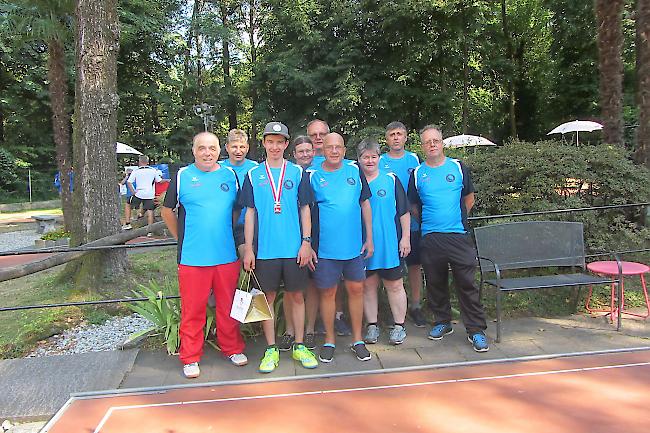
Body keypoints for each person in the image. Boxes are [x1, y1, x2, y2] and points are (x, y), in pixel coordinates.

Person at [161, 132, 248, 379]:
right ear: (194, 150)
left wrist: (224, 233)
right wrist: (183, 237)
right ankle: (190, 357)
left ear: (219, 150)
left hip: (226, 256)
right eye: (202, 148)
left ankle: (231, 349)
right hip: (192, 258)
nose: (207, 153)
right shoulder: (182, 176)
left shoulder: (229, 175)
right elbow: (167, 211)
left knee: (228, 307)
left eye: (211, 148)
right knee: (193, 310)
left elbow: (236, 210)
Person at [240, 122, 319, 373]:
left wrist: (306, 242)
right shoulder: (253, 175)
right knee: (266, 299)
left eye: (280, 142)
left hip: (294, 249)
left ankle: (298, 345)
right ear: (263, 143)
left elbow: (305, 208)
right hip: (265, 251)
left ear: (286, 145)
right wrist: (250, 249)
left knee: (297, 296)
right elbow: (250, 213)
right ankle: (271, 348)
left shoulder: (297, 172)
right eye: (270, 141)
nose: (275, 146)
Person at [407, 125, 489, 353]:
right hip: (431, 238)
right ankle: (443, 321)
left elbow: (469, 199)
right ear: (422, 146)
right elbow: (414, 206)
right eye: (427, 142)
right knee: (435, 283)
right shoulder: (417, 174)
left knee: (467, 284)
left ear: (442, 143)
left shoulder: (459, 167)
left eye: (435, 140)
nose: (432, 145)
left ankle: (476, 331)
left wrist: (455, 221)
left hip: (458, 236)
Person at [308, 132, 374, 363]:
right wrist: (308, 243)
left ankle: (358, 340)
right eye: (329, 147)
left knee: (356, 291)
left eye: (338, 147)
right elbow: (304, 211)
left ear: (344, 150)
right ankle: (329, 340)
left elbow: (365, 203)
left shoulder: (355, 171)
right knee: (328, 293)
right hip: (325, 250)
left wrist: (370, 238)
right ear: (322, 150)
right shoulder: (312, 176)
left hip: (354, 248)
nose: (334, 151)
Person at [357, 138, 410, 345]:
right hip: (363, 244)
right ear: (359, 159)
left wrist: (405, 237)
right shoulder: (354, 180)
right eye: (365, 157)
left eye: (373, 156)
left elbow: (404, 212)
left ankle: (399, 326)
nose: (369, 161)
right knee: (368, 286)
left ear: (379, 158)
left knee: (395, 285)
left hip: (389, 243)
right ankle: (372, 325)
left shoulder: (391, 179)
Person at [379, 121, 427, 328]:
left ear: (406, 137)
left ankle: (415, 306)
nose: (396, 137)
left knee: (414, 266)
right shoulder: (379, 161)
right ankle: (392, 310)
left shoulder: (414, 159)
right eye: (392, 134)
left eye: (400, 134)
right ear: (387, 139)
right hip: (387, 225)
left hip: (412, 223)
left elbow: (421, 188)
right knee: (389, 268)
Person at [277, 135, 317, 352]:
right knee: (291, 289)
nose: (305, 154)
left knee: (310, 286)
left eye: (308, 150)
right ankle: (290, 331)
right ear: (293, 154)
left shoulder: (319, 171)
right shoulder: (288, 172)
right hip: (291, 238)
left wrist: (309, 241)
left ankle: (309, 330)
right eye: (300, 151)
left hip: (313, 236)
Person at [220, 129, 259, 226]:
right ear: (227, 147)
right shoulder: (218, 168)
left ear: (247, 148)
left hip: (250, 224)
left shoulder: (255, 169)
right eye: (234, 147)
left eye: (242, 147)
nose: (238, 151)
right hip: (225, 225)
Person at [125, 155, 161, 234]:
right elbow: (159, 181)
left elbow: (129, 182)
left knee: (128, 203)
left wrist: (133, 191)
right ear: (148, 162)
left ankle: (128, 223)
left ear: (139, 162)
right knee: (150, 210)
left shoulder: (137, 171)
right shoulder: (153, 170)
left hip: (139, 193)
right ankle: (150, 231)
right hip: (149, 193)